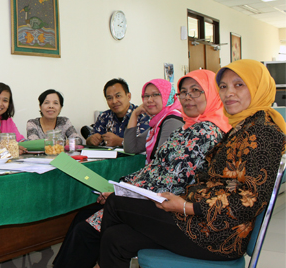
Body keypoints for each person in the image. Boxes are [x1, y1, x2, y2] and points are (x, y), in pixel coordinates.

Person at [98, 60, 286, 267]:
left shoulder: (264, 131)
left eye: (239, 84)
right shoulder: (241, 126)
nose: (228, 93)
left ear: (258, 87)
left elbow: (248, 201)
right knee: (115, 238)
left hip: (217, 235)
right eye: (223, 86)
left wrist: (187, 207)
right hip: (201, 220)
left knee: (116, 203)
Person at [53, 70, 231, 268]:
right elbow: (155, 167)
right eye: (184, 92)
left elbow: (171, 181)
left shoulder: (203, 130)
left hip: (172, 208)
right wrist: (121, 188)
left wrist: (123, 192)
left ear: (213, 93)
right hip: (157, 198)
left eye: (196, 91)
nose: (188, 98)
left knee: (90, 229)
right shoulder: (187, 127)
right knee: (94, 223)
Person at [123, 79, 184, 161]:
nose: (149, 100)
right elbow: (130, 148)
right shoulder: (158, 121)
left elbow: (163, 161)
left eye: (155, 95)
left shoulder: (172, 120)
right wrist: (134, 114)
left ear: (167, 96)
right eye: (146, 96)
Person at [86, 78, 150, 147]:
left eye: (118, 96)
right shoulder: (104, 117)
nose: (114, 101)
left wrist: (119, 142)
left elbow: (146, 143)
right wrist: (91, 140)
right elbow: (90, 139)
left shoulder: (142, 115)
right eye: (109, 98)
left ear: (128, 96)